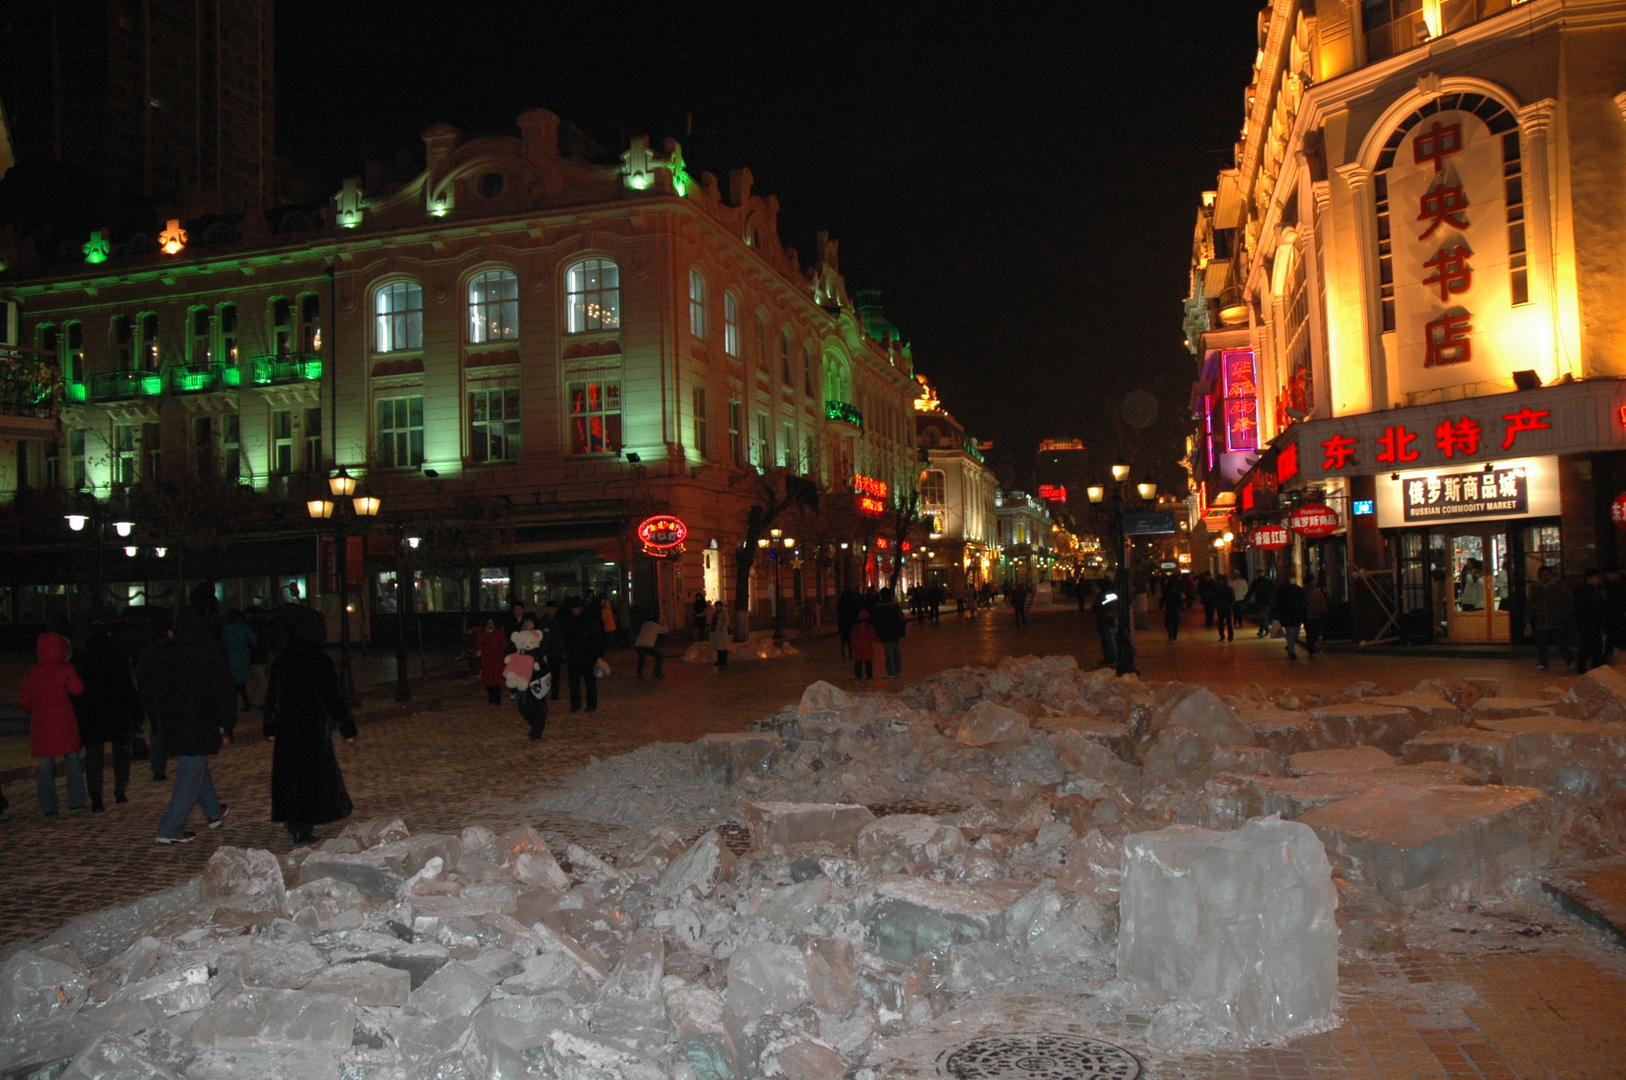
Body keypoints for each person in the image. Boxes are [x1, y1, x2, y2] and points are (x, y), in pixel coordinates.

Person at [263, 608, 356, 844]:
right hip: (311, 727)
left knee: (290, 775)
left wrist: (270, 726)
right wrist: (346, 728)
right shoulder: (318, 658)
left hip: (287, 726)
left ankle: (293, 819)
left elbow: (273, 694)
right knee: (309, 776)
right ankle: (302, 825)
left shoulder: (284, 657)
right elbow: (332, 696)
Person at [150, 608, 236, 843]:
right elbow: (221, 693)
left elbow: (156, 694)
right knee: (189, 776)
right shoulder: (205, 656)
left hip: (175, 726)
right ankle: (170, 828)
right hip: (199, 724)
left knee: (195, 769)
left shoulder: (164, 657)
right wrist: (225, 725)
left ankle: (213, 812)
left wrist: (159, 725)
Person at [74, 622, 141, 811]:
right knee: (120, 753)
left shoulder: (83, 656)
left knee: (94, 757)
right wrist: (134, 712)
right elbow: (127, 686)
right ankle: (120, 790)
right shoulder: (117, 654)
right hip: (116, 710)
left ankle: (96, 797)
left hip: (92, 712)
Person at [20, 630, 87, 817]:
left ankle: (48, 804)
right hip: (64, 721)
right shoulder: (66, 669)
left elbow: (25, 699)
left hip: (42, 724)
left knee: (45, 765)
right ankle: (76, 799)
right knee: (72, 761)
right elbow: (77, 689)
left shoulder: (33, 672)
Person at [506, 615, 551, 739]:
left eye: (530, 621)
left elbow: (545, 652)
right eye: (525, 621)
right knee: (523, 703)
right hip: (521, 673)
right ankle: (534, 725)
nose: (527, 624)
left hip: (536, 673)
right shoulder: (518, 636)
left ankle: (537, 728)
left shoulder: (540, 636)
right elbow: (510, 650)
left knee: (536, 702)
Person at [1528, 565, 1573, 671]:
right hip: (1541, 619)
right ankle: (1543, 662)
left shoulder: (1558, 586)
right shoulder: (1535, 588)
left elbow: (1567, 601)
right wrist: (1528, 619)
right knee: (1541, 643)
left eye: (1548, 575)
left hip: (1556, 619)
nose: (1546, 577)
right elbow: (1530, 604)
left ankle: (1569, 660)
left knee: (1560, 642)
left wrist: (1563, 614)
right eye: (1543, 575)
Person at [564, 597, 606, 712]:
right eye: (573, 608)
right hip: (574, 656)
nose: (574, 610)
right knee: (574, 682)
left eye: (576, 608)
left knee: (589, 681)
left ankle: (591, 705)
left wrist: (599, 654)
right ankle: (576, 705)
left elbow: (597, 638)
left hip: (588, 655)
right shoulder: (569, 621)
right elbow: (566, 638)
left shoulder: (590, 621)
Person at [221, 610, 258, 712]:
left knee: (235, 681)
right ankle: (245, 703)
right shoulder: (244, 627)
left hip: (232, 656)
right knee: (241, 681)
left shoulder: (227, 628)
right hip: (244, 655)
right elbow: (254, 639)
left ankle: (234, 704)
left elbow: (224, 644)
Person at [1574, 568, 1607, 675]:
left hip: (1593, 622)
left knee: (1594, 644)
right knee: (1588, 645)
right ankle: (1584, 666)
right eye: (1597, 577)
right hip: (1588, 622)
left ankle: (1596, 664)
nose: (1598, 579)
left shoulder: (1593, 589)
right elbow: (1584, 608)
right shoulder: (1584, 590)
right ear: (1590, 578)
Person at [872, 587, 907, 678]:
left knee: (889, 652)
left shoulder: (880, 607)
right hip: (895, 632)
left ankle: (891, 672)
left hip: (885, 633)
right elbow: (901, 618)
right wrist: (901, 631)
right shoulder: (895, 606)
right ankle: (898, 670)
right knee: (896, 651)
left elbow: (877, 621)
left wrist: (878, 632)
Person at [1271, 576, 1309, 660]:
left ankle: (1290, 646)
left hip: (1297, 616)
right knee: (1291, 633)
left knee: (1296, 633)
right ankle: (1292, 651)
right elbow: (1277, 603)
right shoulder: (1281, 590)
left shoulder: (1299, 589)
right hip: (1287, 616)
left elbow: (1303, 601)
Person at [476, 617, 509, 704]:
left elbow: (504, 643)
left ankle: (497, 698)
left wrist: (500, 651)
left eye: (491, 623)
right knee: (488, 679)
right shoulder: (482, 633)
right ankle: (491, 695)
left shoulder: (499, 632)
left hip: (497, 658)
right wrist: (486, 634)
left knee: (497, 679)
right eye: (488, 623)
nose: (490, 625)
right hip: (487, 658)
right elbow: (479, 642)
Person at [543, 600, 566, 701]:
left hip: (557, 649)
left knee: (556, 673)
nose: (550, 612)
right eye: (549, 610)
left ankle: (555, 693)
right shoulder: (543, 620)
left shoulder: (560, 620)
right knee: (546, 673)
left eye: (552, 610)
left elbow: (563, 634)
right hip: (547, 649)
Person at [1093, 580, 1120, 668]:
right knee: (1110, 639)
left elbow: (1096, 608)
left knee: (1107, 640)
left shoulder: (1102, 596)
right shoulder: (1112, 594)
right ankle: (1111, 657)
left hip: (1105, 620)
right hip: (1111, 619)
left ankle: (1111, 658)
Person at [1303, 576, 1329, 657]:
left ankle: (1310, 648)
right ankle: (1311, 647)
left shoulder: (1303, 591)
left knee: (1309, 632)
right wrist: (1324, 610)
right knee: (1315, 631)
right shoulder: (1317, 591)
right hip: (1317, 615)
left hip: (1306, 615)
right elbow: (1322, 603)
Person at [1245, 572, 1276, 637]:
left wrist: (1272, 600)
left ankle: (1261, 631)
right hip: (1260, 601)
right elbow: (1251, 590)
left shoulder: (1268, 581)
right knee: (1263, 615)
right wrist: (1247, 598)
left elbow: (1273, 591)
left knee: (1263, 615)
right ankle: (1267, 629)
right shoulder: (1256, 581)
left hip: (1266, 601)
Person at [850, 608, 876, 679]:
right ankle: (869, 675)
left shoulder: (856, 627)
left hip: (858, 647)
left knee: (858, 662)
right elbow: (873, 636)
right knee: (868, 662)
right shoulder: (869, 626)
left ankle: (858, 675)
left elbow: (853, 637)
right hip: (867, 647)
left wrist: (852, 646)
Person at [836, 589, 860, 659]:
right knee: (850, 639)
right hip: (850, 623)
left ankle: (843, 652)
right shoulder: (852, 603)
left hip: (843, 622)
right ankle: (850, 653)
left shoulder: (841, 603)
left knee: (843, 639)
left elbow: (839, 612)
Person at [1213, 573, 1236, 642]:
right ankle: (1222, 635)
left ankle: (1230, 636)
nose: (1221, 582)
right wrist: (1217, 606)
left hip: (1227, 608)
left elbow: (1232, 599)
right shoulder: (1218, 589)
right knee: (1221, 623)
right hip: (1221, 608)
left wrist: (1229, 605)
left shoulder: (1229, 589)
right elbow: (1215, 598)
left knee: (1229, 623)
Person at [709, 602, 731, 667]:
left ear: (721, 606)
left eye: (718, 606)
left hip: (721, 633)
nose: (716, 608)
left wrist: (721, 629)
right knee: (718, 647)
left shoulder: (724, 614)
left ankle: (724, 660)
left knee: (723, 647)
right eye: (716, 606)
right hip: (716, 633)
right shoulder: (715, 614)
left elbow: (726, 623)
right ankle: (719, 660)